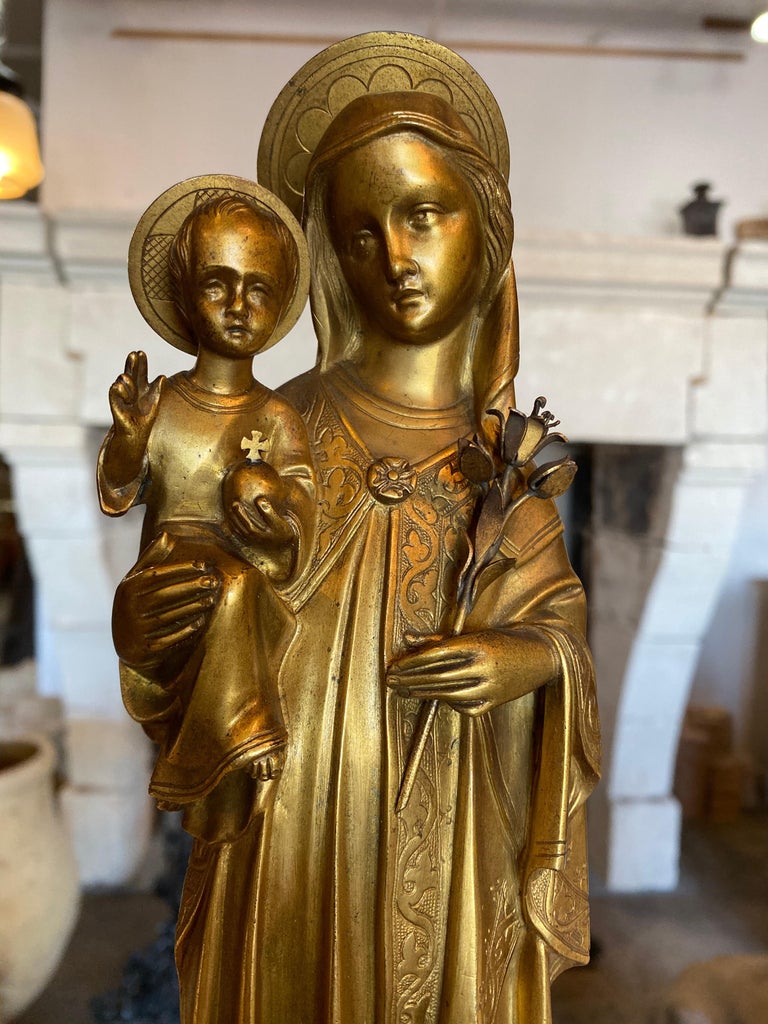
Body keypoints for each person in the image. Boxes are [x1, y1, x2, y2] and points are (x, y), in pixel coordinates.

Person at [112, 52, 600, 1024]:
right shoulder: (273, 425)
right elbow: (188, 598)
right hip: (286, 837)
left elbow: (560, 628)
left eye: (425, 214)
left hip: (450, 837)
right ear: (330, 255)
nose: (395, 257)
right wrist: (151, 625)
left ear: (485, 228)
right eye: (361, 231)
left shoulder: (506, 465)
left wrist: (524, 658)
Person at [99, 184, 315, 841]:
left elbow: (303, 508)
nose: (239, 305)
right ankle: (234, 741)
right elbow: (118, 493)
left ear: (280, 301)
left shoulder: (277, 417)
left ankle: (234, 745)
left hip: (246, 592)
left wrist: (275, 514)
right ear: (186, 293)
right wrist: (130, 440)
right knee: (225, 586)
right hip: (166, 577)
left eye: (259, 288)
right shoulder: (163, 402)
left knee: (237, 585)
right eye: (219, 284)